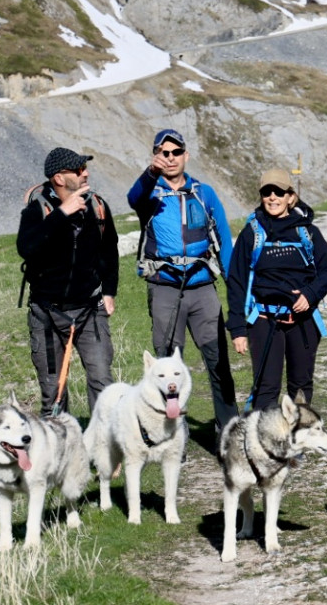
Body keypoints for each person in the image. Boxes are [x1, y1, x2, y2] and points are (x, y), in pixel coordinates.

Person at [127, 128, 238, 433]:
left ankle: (229, 434)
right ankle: (171, 436)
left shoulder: (205, 193)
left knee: (218, 363)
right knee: (165, 369)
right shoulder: (149, 193)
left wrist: (235, 290)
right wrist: (151, 172)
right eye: (164, 152)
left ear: (186, 155)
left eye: (177, 152)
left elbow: (225, 242)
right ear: (156, 156)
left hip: (203, 288)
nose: (171, 158)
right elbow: (132, 197)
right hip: (164, 288)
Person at [226, 168, 327, 412]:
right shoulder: (251, 233)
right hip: (264, 320)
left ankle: (296, 443)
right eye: (267, 192)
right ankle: (264, 446)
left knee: (300, 388)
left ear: (291, 197)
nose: (273, 197)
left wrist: (310, 294)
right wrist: (237, 328)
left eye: (279, 191)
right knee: (266, 387)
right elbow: (236, 281)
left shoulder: (307, 232)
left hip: (303, 320)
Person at [17, 146, 119, 416]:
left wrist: (109, 291)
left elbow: (109, 249)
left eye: (84, 168)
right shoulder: (37, 210)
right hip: (47, 313)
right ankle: (60, 450)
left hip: (89, 309)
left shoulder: (97, 206)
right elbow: (26, 247)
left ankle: (106, 452)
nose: (85, 174)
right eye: (78, 170)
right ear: (59, 178)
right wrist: (62, 214)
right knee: (54, 391)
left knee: (102, 382)